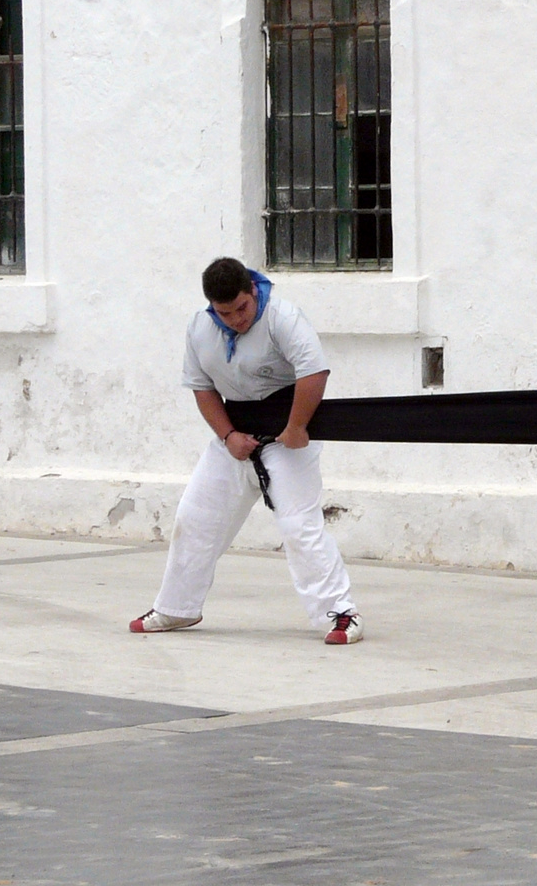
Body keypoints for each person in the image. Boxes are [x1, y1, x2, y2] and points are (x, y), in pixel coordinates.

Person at [129, 257, 363, 645]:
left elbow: (313, 372)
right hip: (234, 436)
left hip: (287, 435)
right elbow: (201, 387)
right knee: (194, 517)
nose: (237, 318)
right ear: (211, 307)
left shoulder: (283, 317)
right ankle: (176, 608)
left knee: (297, 525)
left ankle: (341, 614)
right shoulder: (200, 328)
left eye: (242, 307)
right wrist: (227, 436)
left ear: (253, 291)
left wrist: (296, 427)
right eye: (226, 312)